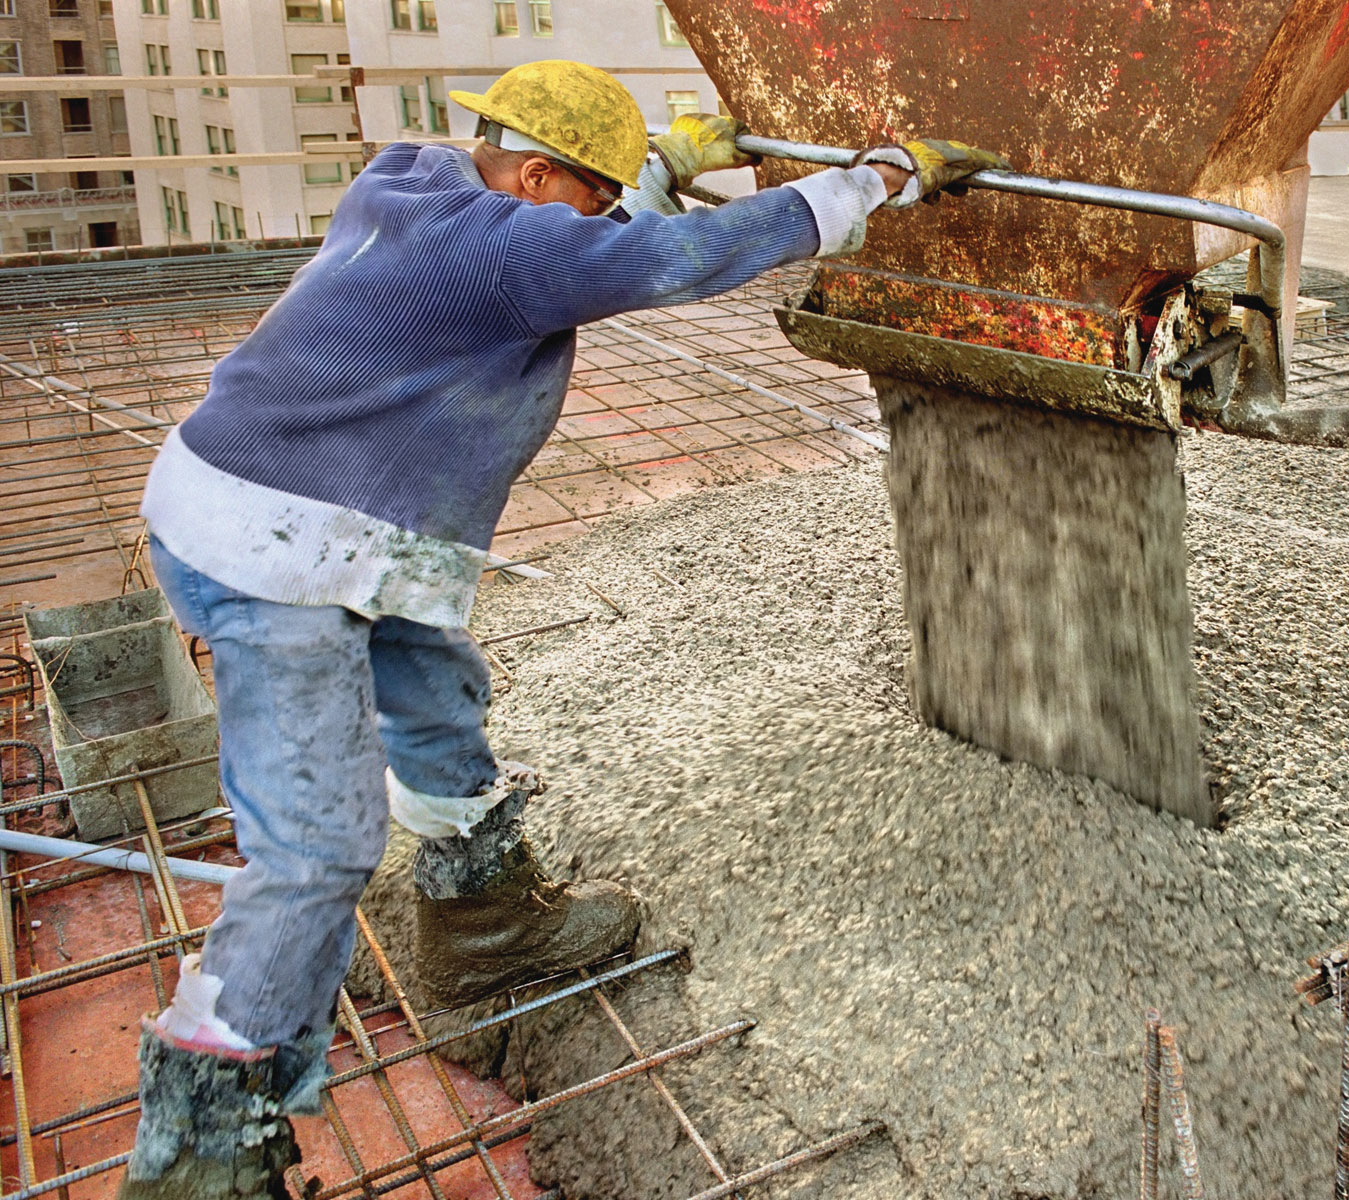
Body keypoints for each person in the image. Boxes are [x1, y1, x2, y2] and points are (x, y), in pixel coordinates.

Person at [118, 59, 1006, 1198]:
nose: (603, 218)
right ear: (536, 173)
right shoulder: (505, 247)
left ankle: (484, 920)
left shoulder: (417, 181)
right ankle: (203, 1144)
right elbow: (660, 261)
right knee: (316, 847)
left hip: (296, 514)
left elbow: (553, 242)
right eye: (593, 196)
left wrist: (650, 172)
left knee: (435, 688)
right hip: (271, 559)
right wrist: (867, 183)